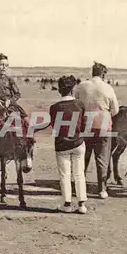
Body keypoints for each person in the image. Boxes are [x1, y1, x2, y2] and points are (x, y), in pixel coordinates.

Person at [41, 76, 88, 214]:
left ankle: (67, 204)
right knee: (79, 174)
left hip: (62, 144)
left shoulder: (54, 107)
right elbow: (84, 125)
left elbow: (55, 127)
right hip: (78, 142)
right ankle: (81, 204)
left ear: (59, 90)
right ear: (73, 89)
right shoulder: (80, 104)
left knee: (64, 175)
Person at [74, 61, 119, 199]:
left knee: (84, 157)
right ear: (103, 73)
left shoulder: (82, 86)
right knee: (102, 158)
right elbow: (115, 110)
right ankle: (102, 189)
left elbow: (76, 103)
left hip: (86, 123)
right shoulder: (108, 88)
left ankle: (79, 188)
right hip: (103, 124)